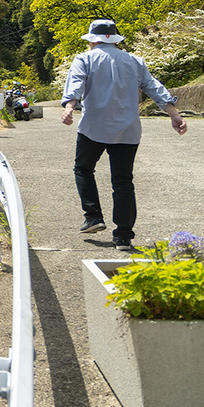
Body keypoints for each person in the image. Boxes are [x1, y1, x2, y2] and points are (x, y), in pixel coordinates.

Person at [61, 19, 188, 252]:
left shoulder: (85, 59)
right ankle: (123, 236)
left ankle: (93, 217)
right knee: (123, 181)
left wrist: (69, 107)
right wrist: (174, 114)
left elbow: (76, 85)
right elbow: (153, 87)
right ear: (114, 39)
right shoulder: (134, 61)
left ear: (92, 40)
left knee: (83, 169)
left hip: (93, 128)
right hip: (127, 129)